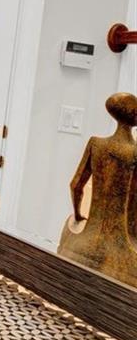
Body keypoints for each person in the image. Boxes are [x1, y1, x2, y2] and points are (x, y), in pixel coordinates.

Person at [58, 93, 137, 288]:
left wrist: (78, 215)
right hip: (122, 254)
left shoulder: (96, 144)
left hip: (85, 243)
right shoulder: (134, 153)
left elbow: (76, 185)